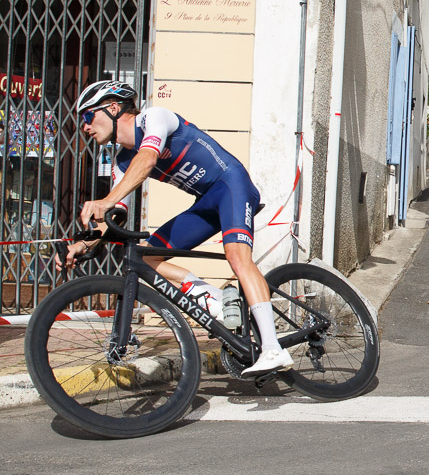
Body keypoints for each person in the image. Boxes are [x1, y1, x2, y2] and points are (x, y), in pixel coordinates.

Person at [65, 80, 293, 376]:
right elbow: (116, 215)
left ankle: (273, 348)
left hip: (231, 185)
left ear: (112, 108)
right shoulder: (122, 159)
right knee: (147, 258)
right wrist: (85, 244)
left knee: (237, 256)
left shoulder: (154, 118)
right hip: (206, 203)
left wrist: (106, 200)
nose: (84, 127)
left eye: (87, 116)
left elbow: (147, 160)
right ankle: (215, 302)